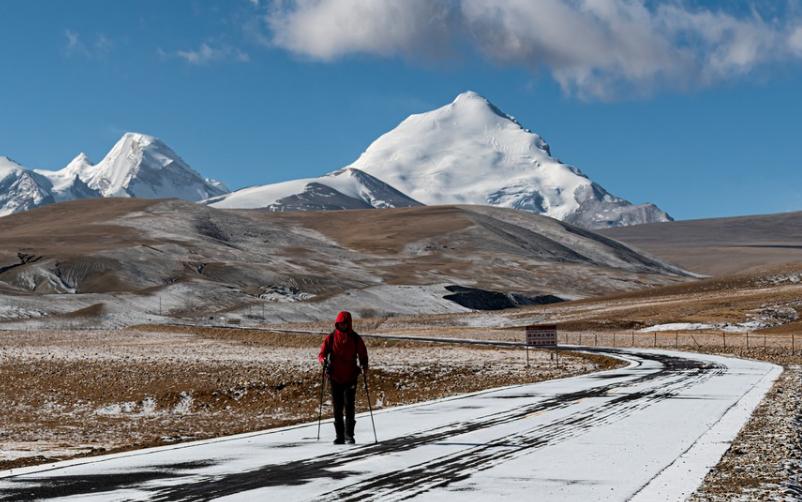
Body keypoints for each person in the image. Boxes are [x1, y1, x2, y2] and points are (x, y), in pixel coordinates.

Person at [318, 311, 369, 445]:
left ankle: (349, 435)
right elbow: (321, 354)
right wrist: (324, 361)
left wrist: (364, 365)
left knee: (349, 405)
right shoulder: (331, 338)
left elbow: (363, 354)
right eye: (341, 324)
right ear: (337, 323)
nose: (343, 326)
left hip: (350, 376)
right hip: (335, 376)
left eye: (345, 324)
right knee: (337, 407)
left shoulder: (355, 338)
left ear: (349, 324)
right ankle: (339, 435)